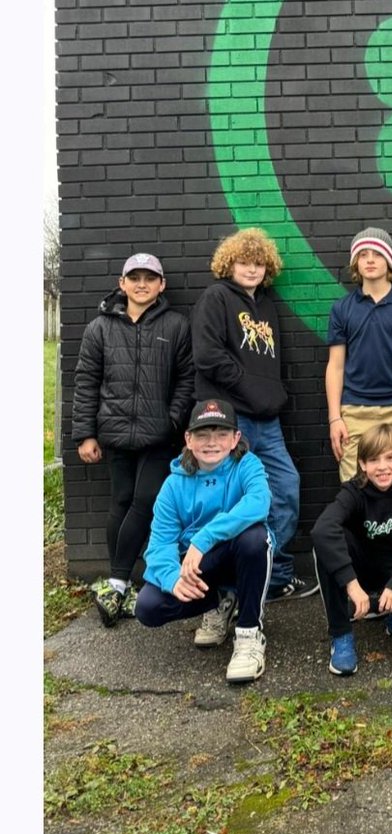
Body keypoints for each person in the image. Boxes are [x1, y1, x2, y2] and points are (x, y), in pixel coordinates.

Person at [191, 227, 316, 601]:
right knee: (233, 500)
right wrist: (252, 389)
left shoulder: (266, 306)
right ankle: (231, 586)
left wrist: (272, 394)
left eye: (259, 264)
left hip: (267, 421)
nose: (252, 269)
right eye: (244, 262)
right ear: (229, 264)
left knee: (285, 489)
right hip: (233, 422)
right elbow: (208, 357)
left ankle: (274, 576)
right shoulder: (216, 298)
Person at [72, 252, 195, 627]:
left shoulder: (177, 325)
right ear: (122, 283)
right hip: (115, 433)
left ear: (161, 285)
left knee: (146, 501)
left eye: (150, 278)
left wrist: (173, 419)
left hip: (158, 435)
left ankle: (117, 583)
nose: (142, 284)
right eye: (135, 278)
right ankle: (120, 585)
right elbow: (86, 382)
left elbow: (187, 379)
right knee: (121, 501)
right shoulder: (100, 328)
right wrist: (85, 434)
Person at [135, 399, 273, 685]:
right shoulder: (173, 485)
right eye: (203, 435)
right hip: (200, 568)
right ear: (188, 439)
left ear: (235, 438)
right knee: (148, 606)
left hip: (238, 557)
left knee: (254, 538)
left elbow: (259, 503)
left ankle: (249, 634)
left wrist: (203, 538)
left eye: (221, 434)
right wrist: (173, 579)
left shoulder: (247, 465)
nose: (212, 443)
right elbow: (159, 545)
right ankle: (218, 602)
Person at [311, 423, 392, 677]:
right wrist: (351, 584)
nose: (382, 467)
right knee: (326, 546)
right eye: (373, 460)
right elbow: (322, 529)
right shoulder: (355, 489)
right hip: (363, 567)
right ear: (362, 464)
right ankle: (341, 634)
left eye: (390, 458)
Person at [324, 227, 392, 484]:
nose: (370, 260)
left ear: (389, 260)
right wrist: (335, 418)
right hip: (354, 412)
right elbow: (335, 367)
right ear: (355, 263)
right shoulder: (342, 309)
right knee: (354, 487)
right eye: (363, 255)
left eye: (378, 254)